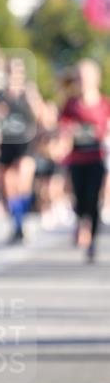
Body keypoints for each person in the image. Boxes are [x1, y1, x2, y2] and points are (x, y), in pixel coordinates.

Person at [0, 56, 42, 244]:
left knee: (23, 180)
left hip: (25, 145)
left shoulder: (28, 93)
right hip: (7, 144)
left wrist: (34, 102)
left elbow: (42, 116)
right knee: (9, 186)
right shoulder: (0, 96)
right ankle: (17, 225)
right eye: (11, 72)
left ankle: (23, 222)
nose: (14, 76)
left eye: (18, 72)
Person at [59, 58, 110, 261]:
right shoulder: (71, 104)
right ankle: (81, 222)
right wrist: (69, 130)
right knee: (79, 199)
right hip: (76, 158)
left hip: (97, 157)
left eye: (87, 76)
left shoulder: (104, 103)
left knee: (93, 197)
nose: (84, 80)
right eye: (80, 77)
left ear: (96, 78)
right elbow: (62, 125)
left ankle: (93, 241)